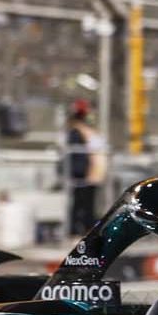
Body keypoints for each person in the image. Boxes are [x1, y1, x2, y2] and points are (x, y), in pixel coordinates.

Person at [62, 98, 109, 234]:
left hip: (89, 174)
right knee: (81, 204)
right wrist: (81, 173)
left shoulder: (83, 131)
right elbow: (78, 155)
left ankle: (84, 229)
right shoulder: (77, 132)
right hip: (83, 175)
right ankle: (77, 230)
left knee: (86, 204)